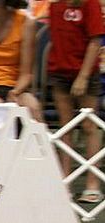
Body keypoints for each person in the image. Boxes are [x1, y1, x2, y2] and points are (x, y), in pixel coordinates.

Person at [48, 0, 105, 203]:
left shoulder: (90, 4)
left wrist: (82, 76)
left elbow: (95, 41)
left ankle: (93, 184)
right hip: (59, 72)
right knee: (65, 128)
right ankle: (65, 181)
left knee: (90, 127)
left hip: (86, 73)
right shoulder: (55, 5)